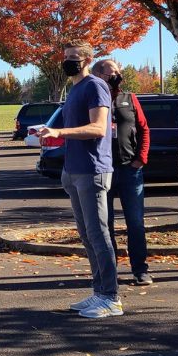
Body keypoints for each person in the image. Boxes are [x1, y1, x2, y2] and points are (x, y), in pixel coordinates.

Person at [30, 42, 119, 318]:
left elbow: (97, 128)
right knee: (87, 235)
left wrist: (59, 132)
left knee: (98, 234)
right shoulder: (74, 89)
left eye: (74, 58)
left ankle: (111, 298)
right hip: (73, 170)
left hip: (93, 170)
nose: (68, 61)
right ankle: (99, 292)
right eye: (66, 57)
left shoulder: (95, 86)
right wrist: (49, 133)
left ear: (88, 60)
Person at [92, 58, 152, 286]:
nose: (117, 75)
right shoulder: (95, 100)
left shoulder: (129, 98)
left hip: (130, 170)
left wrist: (140, 159)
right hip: (102, 170)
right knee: (105, 224)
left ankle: (140, 270)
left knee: (135, 222)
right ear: (99, 75)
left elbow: (144, 130)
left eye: (118, 71)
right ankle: (111, 272)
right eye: (112, 72)